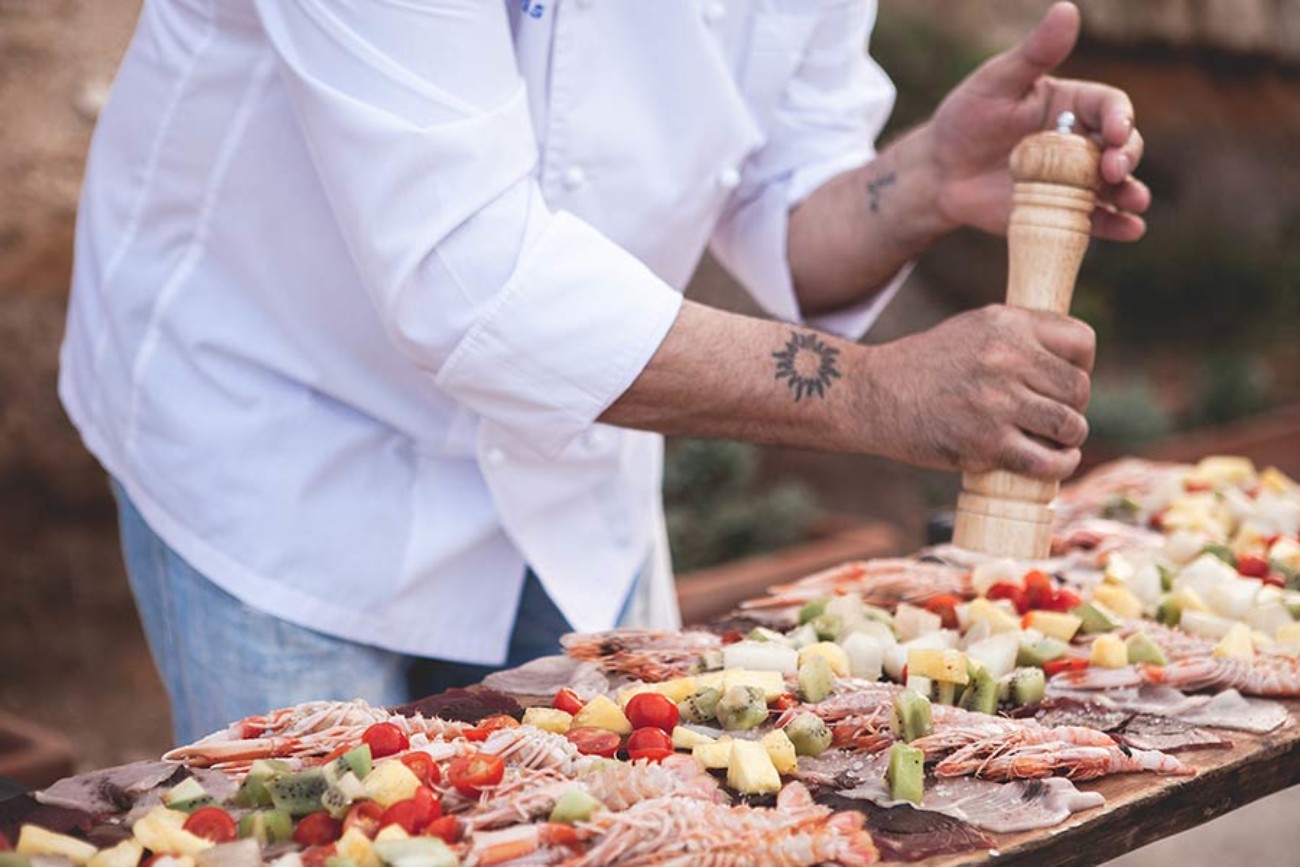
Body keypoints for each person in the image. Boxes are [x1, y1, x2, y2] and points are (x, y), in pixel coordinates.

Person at [60, 0, 1146, 745]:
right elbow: (470, 279)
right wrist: (875, 392)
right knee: (319, 823)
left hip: (580, 449)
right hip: (279, 425)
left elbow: (775, 195)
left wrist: (918, 184)